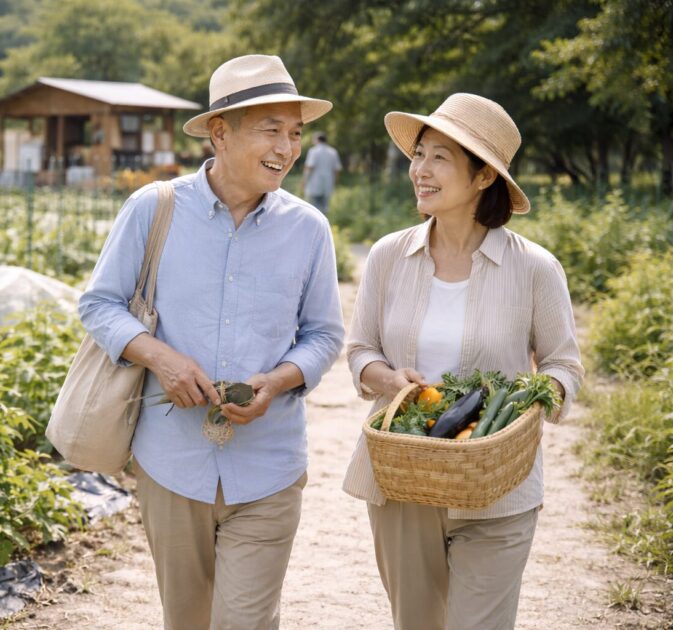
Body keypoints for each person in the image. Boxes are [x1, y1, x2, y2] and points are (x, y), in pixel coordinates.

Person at [78, 54, 345, 629]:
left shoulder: (308, 229)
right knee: (187, 619)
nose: (287, 147)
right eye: (271, 129)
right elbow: (98, 304)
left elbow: (324, 335)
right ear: (219, 133)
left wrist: (277, 380)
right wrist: (161, 358)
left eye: (295, 133)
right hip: (171, 462)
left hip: (269, 466)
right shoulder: (155, 208)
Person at [342, 93, 584, 630]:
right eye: (419, 154)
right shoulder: (388, 257)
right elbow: (360, 351)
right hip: (404, 478)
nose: (419, 171)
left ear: (482, 178)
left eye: (440, 158)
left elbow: (564, 366)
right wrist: (387, 377)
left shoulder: (536, 269)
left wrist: (522, 411)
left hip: (498, 483)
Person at [302, 131, 342, 214]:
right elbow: (337, 169)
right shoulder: (333, 152)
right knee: (325, 208)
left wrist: (304, 181)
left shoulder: (314, 151)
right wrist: (336, 182)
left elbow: (310, 167)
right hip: (328, 183)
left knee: (313, 208)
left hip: (314, 183)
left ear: (317, 140)